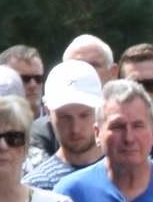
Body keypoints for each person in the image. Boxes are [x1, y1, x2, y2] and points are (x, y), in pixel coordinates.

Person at [21, 62, 105, 192]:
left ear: (101, 109)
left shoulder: (131, 171)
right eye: (65, 117)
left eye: (84, 115)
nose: (75, 128)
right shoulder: (35, 188)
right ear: (47, 112)